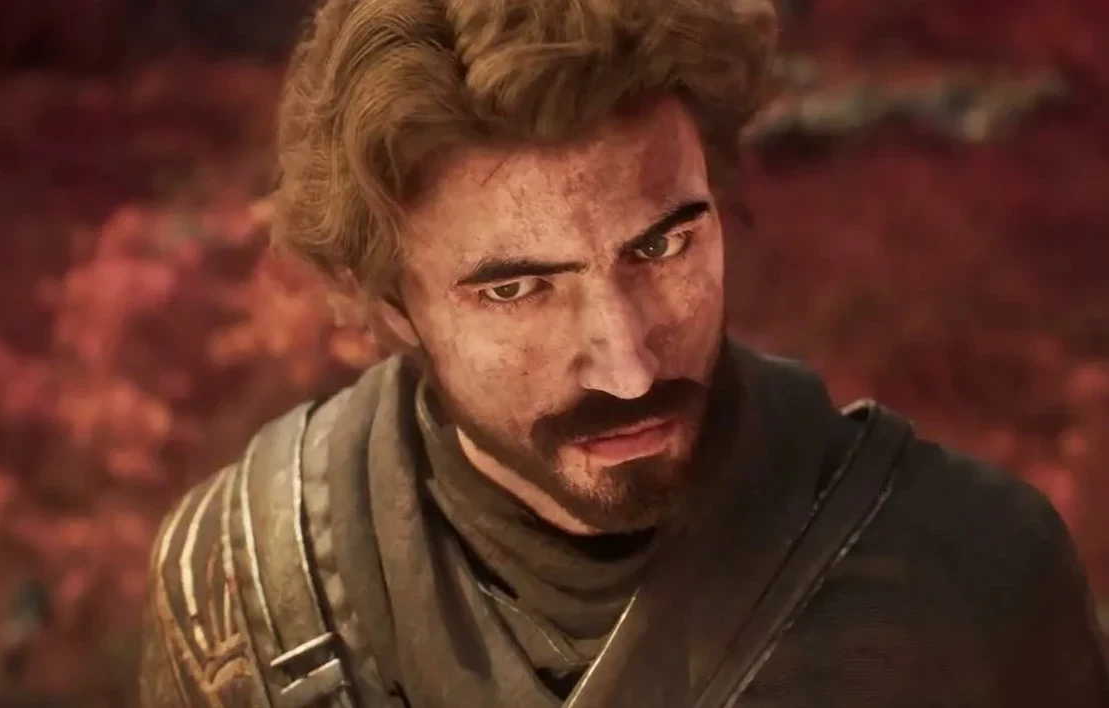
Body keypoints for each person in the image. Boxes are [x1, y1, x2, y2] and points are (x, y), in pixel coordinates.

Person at [136, 0, 1109, 705]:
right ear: (390, 305)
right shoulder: (242, 585)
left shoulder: (973, 564)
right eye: (515, 290)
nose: (629, 366)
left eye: (663, 246)